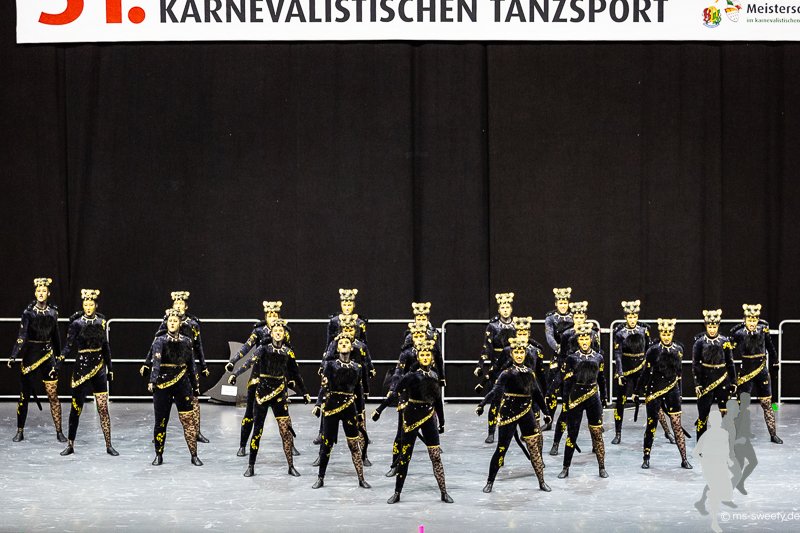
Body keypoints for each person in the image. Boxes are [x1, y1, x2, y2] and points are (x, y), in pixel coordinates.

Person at [373, 340, 453, 504]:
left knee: (436, 456)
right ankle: (397, 492)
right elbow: (395, 393)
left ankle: (444, 492)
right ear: (418, 357)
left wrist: (442, 421)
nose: (425, 357)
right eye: (422, 355)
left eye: (428, 355)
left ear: (432, 357)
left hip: (429, 417)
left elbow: (438, 400)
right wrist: (380, 409)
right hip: (411, 417)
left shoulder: (435, 376)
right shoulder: (410, 376)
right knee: (405, 457)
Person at [228, 320, 310, 477]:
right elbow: (250, 362)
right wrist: (235, 374)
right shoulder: (263, 348)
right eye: (275, 330)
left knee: (285, 431)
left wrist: (305, 392)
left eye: (281, 330)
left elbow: (295, 373)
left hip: (280, 394)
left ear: (284, 334)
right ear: (271, 333)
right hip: (262, 394)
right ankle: (251, 465)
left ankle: (290, 465)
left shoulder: (288, 351)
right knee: (257, 431)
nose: (278, 332)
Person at [476, 336, 551, 493]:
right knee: (501, 449)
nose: (519, 355)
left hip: (527, 412)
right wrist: (483, 404)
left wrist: (546, 412)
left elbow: (537, 393)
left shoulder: (530, 373)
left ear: (525, 354)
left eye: (521, 352)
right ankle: (490, 482)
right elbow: (495, 391)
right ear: (511, 354)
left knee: (534, 448)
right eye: (516, 352)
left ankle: (542, 481)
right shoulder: (506, 373)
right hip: (508, 413)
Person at [225, 300, 299, 457]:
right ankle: (243, 445)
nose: (272, 318)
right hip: (258, 376)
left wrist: (291, 376)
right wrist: (233, 361)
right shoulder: (259, 331)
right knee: (250, 413)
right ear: (265, 316)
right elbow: (246, 347)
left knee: (284, 415)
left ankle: (290, 444)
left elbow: (288, 355)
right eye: (269, 315)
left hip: (277, 378)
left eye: (275, 315)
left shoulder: (283, 331)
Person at [141, 291, 210, 443]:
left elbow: (198, 346)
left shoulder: (193, 324)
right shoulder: (167, 321)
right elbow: (155, 342)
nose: (178, 306)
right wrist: (147, 363)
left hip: (187, 365)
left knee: (194, 399)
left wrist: (203, 365)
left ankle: (196, 432)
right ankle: (159, 433)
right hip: (168, 367)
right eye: (176, 304)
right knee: (162, 405)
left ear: (186, 306)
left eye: (181, 304)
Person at [60, 289, 118, 456]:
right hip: (81, 368)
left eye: (91, 304)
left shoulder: (102, 322)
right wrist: (58, 362)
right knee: (76, 408)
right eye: (85, 304)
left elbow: (105, 346)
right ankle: (70, 444)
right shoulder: (77, 323)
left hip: (99, 368)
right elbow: (68, 345)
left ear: (96, 305)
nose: (88, 307)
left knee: (103, 408)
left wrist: (110, 368)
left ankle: (109, 444)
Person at [8, 277, 65, 443]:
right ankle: (20, 430)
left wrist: (59, 357)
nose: (41, 293)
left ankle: (59, 431)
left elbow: (56, 337)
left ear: (48, 293)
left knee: (53, 395)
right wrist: (14, 355)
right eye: (38, 291)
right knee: (24, 395)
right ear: (35, 293)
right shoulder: (28, 313)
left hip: (47, 355)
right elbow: (22, 336)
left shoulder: (53, 313)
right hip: (31, 356)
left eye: (44, 291)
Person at [311, 335, 371, 490]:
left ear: (351, 347)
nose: (344, 345)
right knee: (327, 444)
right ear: (337, 348)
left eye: (347, 343)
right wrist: (318, 404)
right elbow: (324, 386)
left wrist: (360, 413)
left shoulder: (357, 367)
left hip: (349, 407)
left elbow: (359, 391)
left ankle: (361, 478)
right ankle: (320, 478)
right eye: (341, 343)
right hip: (331, 406)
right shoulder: (330, 365)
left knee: (354, 444)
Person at [552, 322, 608, 479]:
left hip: (593, 397)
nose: (584, 341)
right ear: (577, 340)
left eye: (586, 338)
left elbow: (602, 379)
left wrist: (604, 397)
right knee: (572, 434)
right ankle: (566, 467)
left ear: (591, 339)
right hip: (576, 398)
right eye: (581, 339)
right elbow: (565, 381)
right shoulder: (572, 358)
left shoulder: (598, 357)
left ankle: (602, 467)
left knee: (597, 433)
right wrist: (564, 401)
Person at [148, 308, 202, 466]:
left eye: (175, 321)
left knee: (188, 420)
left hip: (182, 384)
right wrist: (152, 380)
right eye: (170, 321)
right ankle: (158, 455)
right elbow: (156, 361)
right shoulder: (160, 340)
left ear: (180, 323)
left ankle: (194, 455)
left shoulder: (187, 341)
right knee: (161, 422)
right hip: (162, 384)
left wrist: (195, 386)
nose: (172, 323)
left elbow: (191, 365)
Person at [637, 319, 692, 470]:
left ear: (673, 333)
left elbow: (679, 373)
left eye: (669, 334)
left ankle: (684, 459)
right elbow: (646, 372)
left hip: (673, 389)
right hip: (654, 390)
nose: (666, 337)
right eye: (664, 334)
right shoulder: (653, 350)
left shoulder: (678, 349)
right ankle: (646, 457)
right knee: (651, 424)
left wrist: (680, 393)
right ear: (660, 333)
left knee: (677, 424)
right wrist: (637, 390)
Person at [731, 304, 782, 444]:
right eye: (749, 320)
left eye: (754, 320)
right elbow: (730, 350)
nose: (752, 323)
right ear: (745, 320)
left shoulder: (763, 330)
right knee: (742, 405)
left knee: (767, 403)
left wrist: (775, 361)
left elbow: (770, 347)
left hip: (761, 370)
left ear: (757, 320)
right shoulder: (739, 333)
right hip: (745, 372)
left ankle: (773, 434)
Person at [475, 292, 516, 443]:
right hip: (497, 365)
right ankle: (491, 431)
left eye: (507, 307)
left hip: (514, 364)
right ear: (499, 309)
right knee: (496, 398)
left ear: (511, 309)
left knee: (516, 398)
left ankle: (516, 430)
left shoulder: (517, 324)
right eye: (502, 307)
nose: (505, 310)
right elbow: (486, 347)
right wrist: (480, 365)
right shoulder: (492, 325)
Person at [692, 309, 737, 438]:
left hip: (723, 379)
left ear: (718, 326)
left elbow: (730, 362)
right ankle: (701, 441)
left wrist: (733, 381)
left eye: (714, 327)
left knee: (725, 412)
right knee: (703, 414)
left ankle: (728, 440)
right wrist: (697, 383)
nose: (712, 329)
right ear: (706, 326)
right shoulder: (699, 342)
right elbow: (695, 364)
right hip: (706, 380)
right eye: (710, 327)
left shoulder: (725, 341)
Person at [611, 300, 651, 445]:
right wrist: (620, 373)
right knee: (620, 401)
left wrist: (649, 370)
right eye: (629, 317)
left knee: (652, 399)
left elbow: (649, 351)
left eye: (634, 317)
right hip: (626, 368)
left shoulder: (644, 330)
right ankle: (618, 433)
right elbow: (617, 354)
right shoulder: (620, 332)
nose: (632, 320)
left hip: (641, 368)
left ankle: (662, 431)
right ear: (625, 317)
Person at [693, 411, 733, 533]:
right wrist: (705, 461)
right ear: (711, 421)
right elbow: (696, 452)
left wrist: (728, 460)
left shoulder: (724, 433)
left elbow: (726, 449)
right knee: (715, 491)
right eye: (715, 420)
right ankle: (714, 521)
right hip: (710, 465)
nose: (717, 422)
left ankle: (702, 503)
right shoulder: (707, 435)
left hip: (720, 465)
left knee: (720, 490)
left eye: (718, 419)